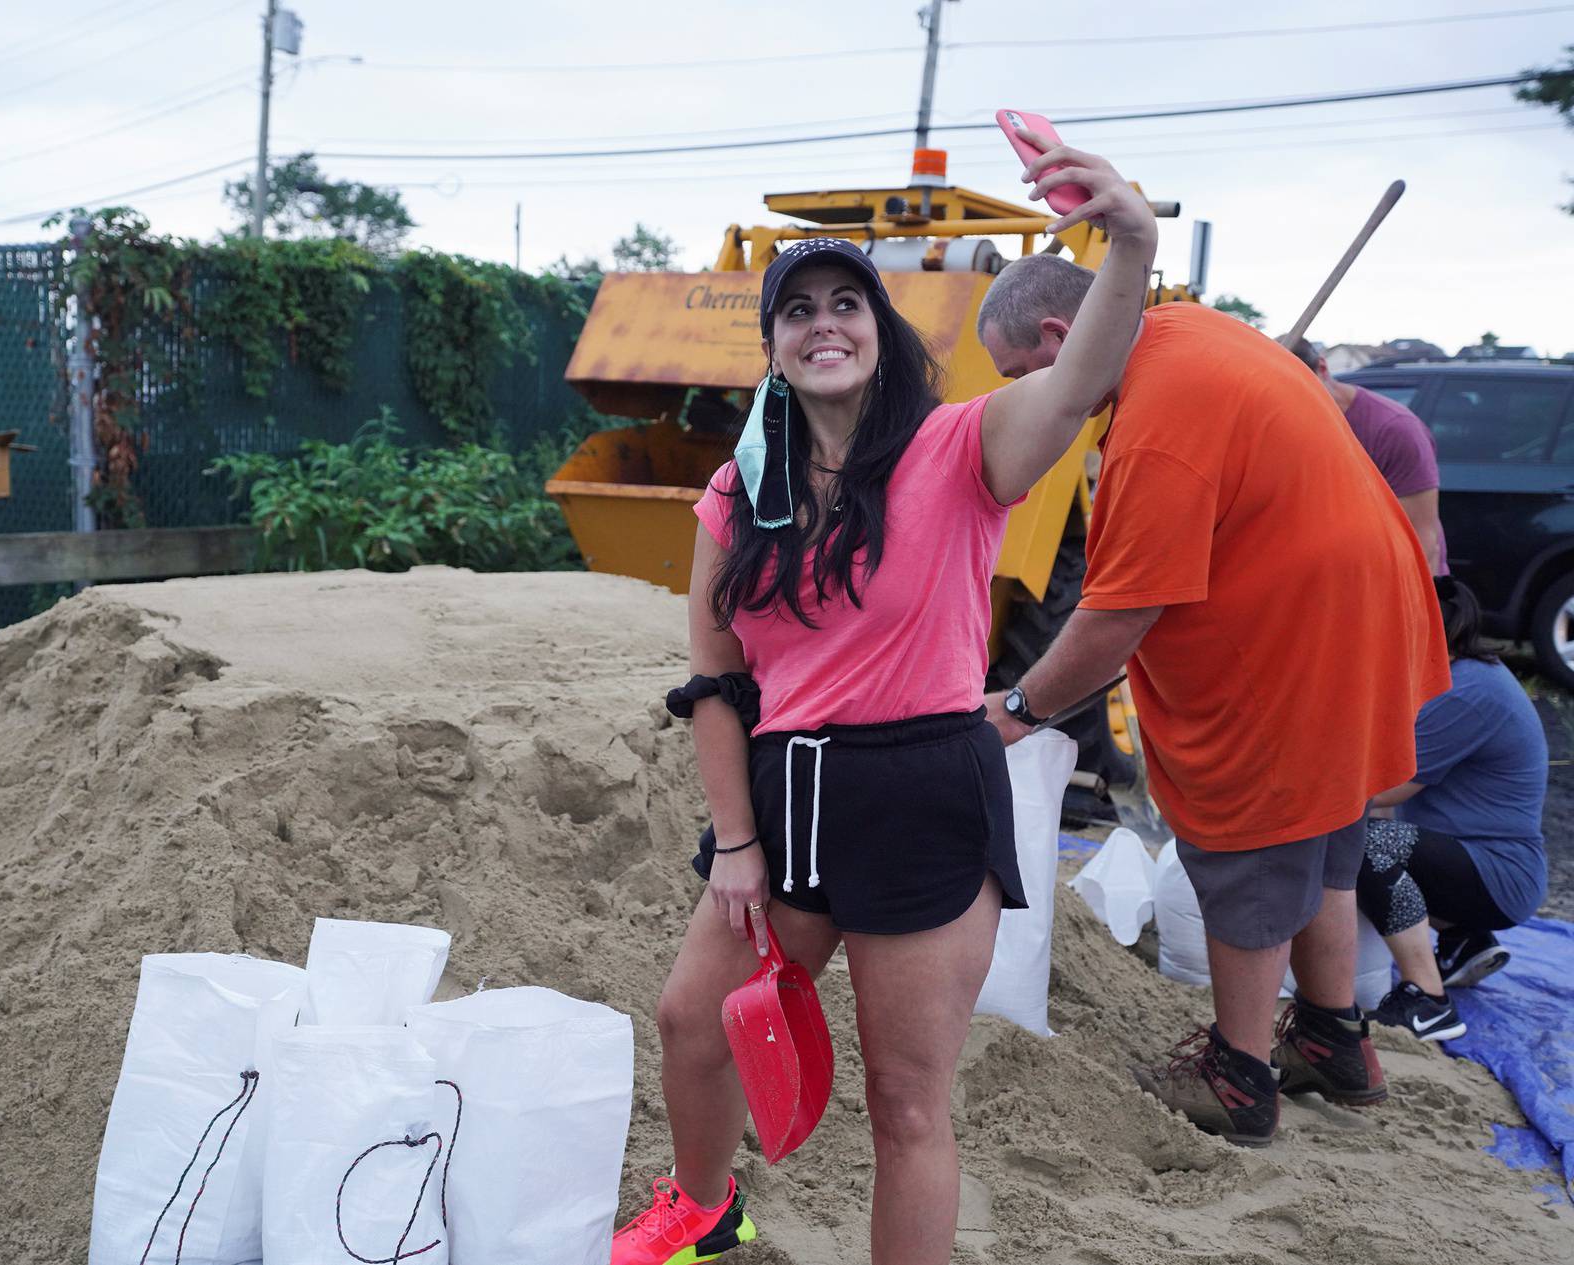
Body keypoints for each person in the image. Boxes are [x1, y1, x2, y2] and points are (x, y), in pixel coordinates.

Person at [613, 138, 1158, 1265]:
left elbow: (1083, 373)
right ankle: (708, 1213)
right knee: (692, 1017)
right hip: (790, 793)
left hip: (922, 793)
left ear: (880, 329)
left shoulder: (960, 446)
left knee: (907, 1105)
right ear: (769, 343)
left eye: (846, 304)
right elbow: (715, 684)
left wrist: (1132, 242)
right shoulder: (735, 490)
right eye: (797, 307)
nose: (824, 323)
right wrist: (734, 844)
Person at [974, 254, 1448, 1148]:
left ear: (1057, 339)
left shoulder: (1154, 426)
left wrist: (1017, 708)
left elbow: (1116, 620)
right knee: (1325, 829)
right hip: (1363, 615)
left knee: (1252, 842)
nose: (1025, 401)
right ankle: (1331, 1037)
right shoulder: (1193, 329)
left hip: (1292, 634)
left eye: (1020, 379)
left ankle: (1239, 1076)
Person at [1360, 577, 1548, 1042]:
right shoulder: (1464, 675)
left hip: (1500, 873)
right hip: (1479, 859)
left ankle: (1428, 1000)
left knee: (1365, 846)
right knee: (1370, 838)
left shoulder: (1466, 692)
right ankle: (1463, 938)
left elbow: (1384, 788)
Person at [1289, 338, 1447, 575]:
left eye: (1297, 386)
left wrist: (1409, 609)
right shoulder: (1286, 424)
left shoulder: (1394, 430)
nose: (1290, 399)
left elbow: (1423, 540)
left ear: (1322, 369)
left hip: (1395, 583)